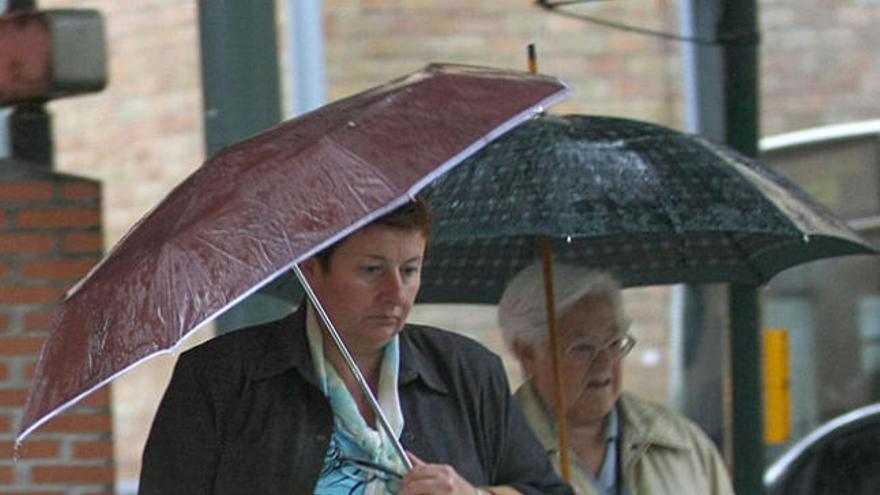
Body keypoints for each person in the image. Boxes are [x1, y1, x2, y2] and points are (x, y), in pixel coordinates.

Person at [139, 198, 572, 495]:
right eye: (371, 270)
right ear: (312, 269)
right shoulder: (221, 379)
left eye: (411, 269)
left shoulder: (467, 372)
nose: (396, 293)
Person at [497, 261, 735, 495]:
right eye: (582, 347)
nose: (604, 363)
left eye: (613, 343)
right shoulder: (496, 450)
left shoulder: (681, 444)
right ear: (526, 351)